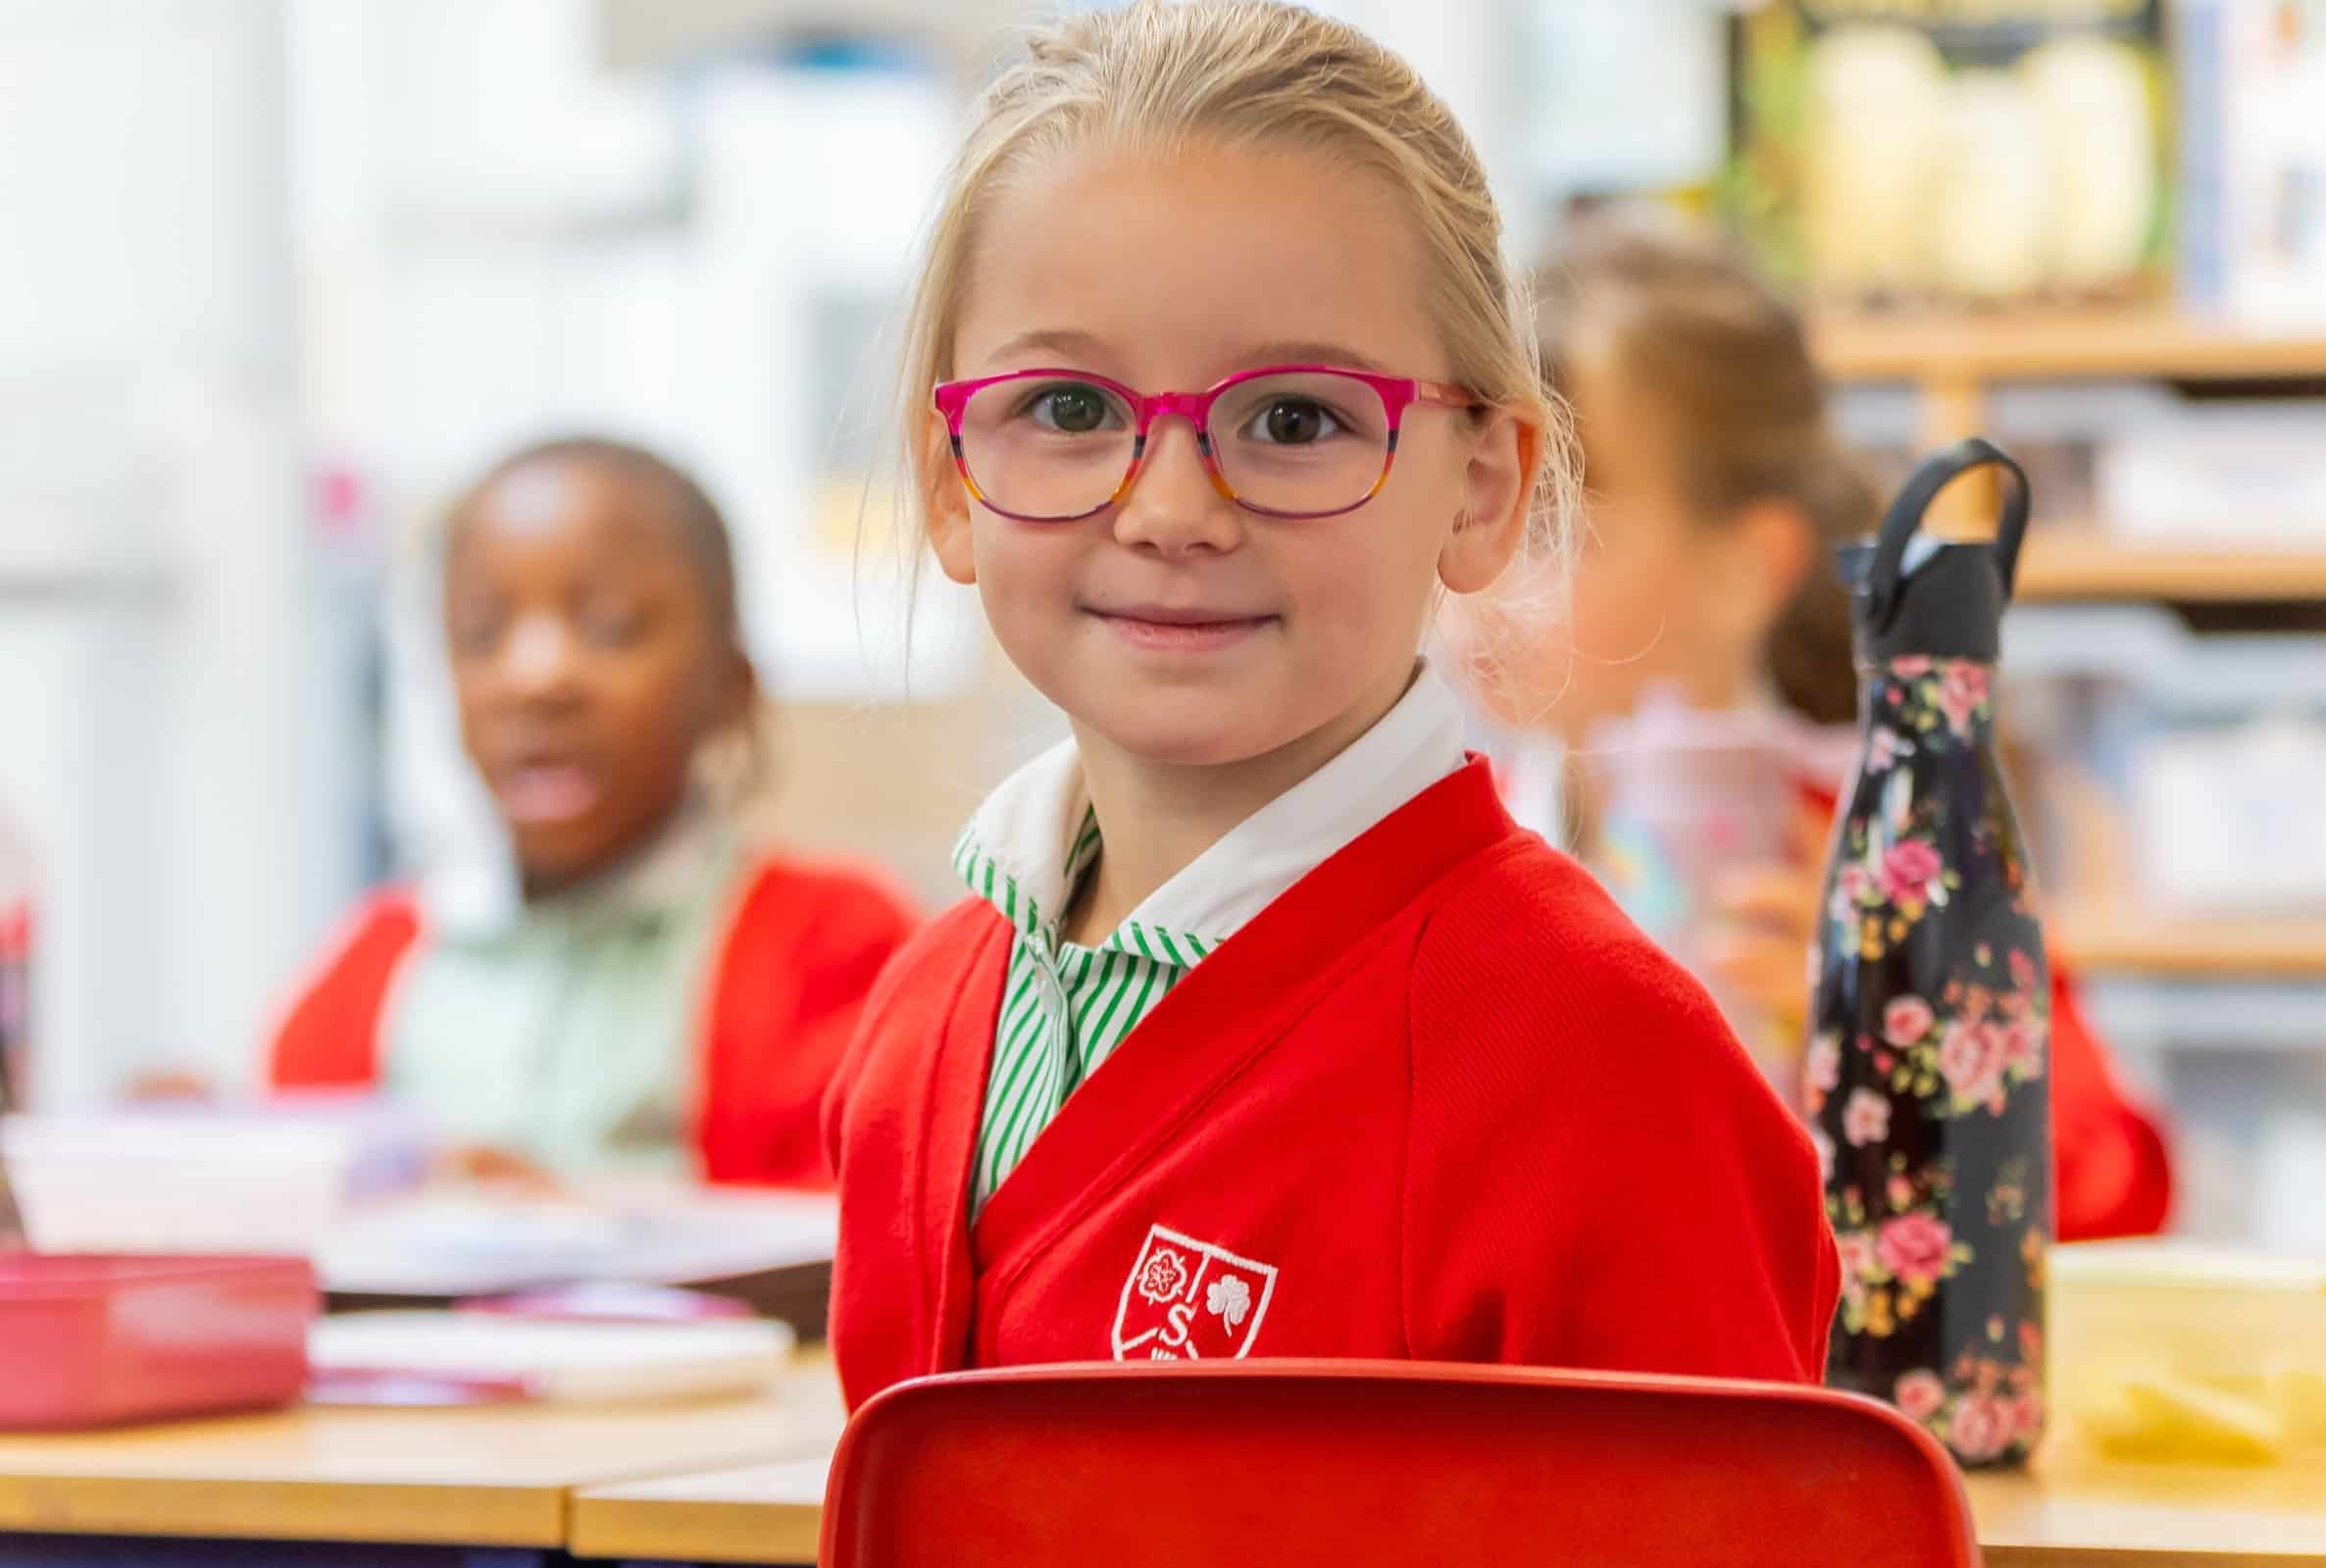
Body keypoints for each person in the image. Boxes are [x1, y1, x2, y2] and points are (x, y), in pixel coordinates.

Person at [821, 0, 1837, 1413]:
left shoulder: (1604, 1067)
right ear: (949, 482)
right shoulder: (916, 1030)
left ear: (1483, 485)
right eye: (1066, 408)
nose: (1170, 508)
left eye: (1294, 419)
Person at [1473, 214, 2170, 1240]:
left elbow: (2120, 1192)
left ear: (1744, 567)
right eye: (1477, 500)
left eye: (1555, 527)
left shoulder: (1891, 840)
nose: (1488, 573)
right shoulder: (1467, 829)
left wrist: (1905, 1032)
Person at [271, 436, 916, 1188]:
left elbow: (869, 1230)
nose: (537, 678)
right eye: (481, 634)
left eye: (611, 626)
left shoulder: (837, 949)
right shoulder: (369, 969)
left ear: (729, 684)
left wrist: (587, 1226)